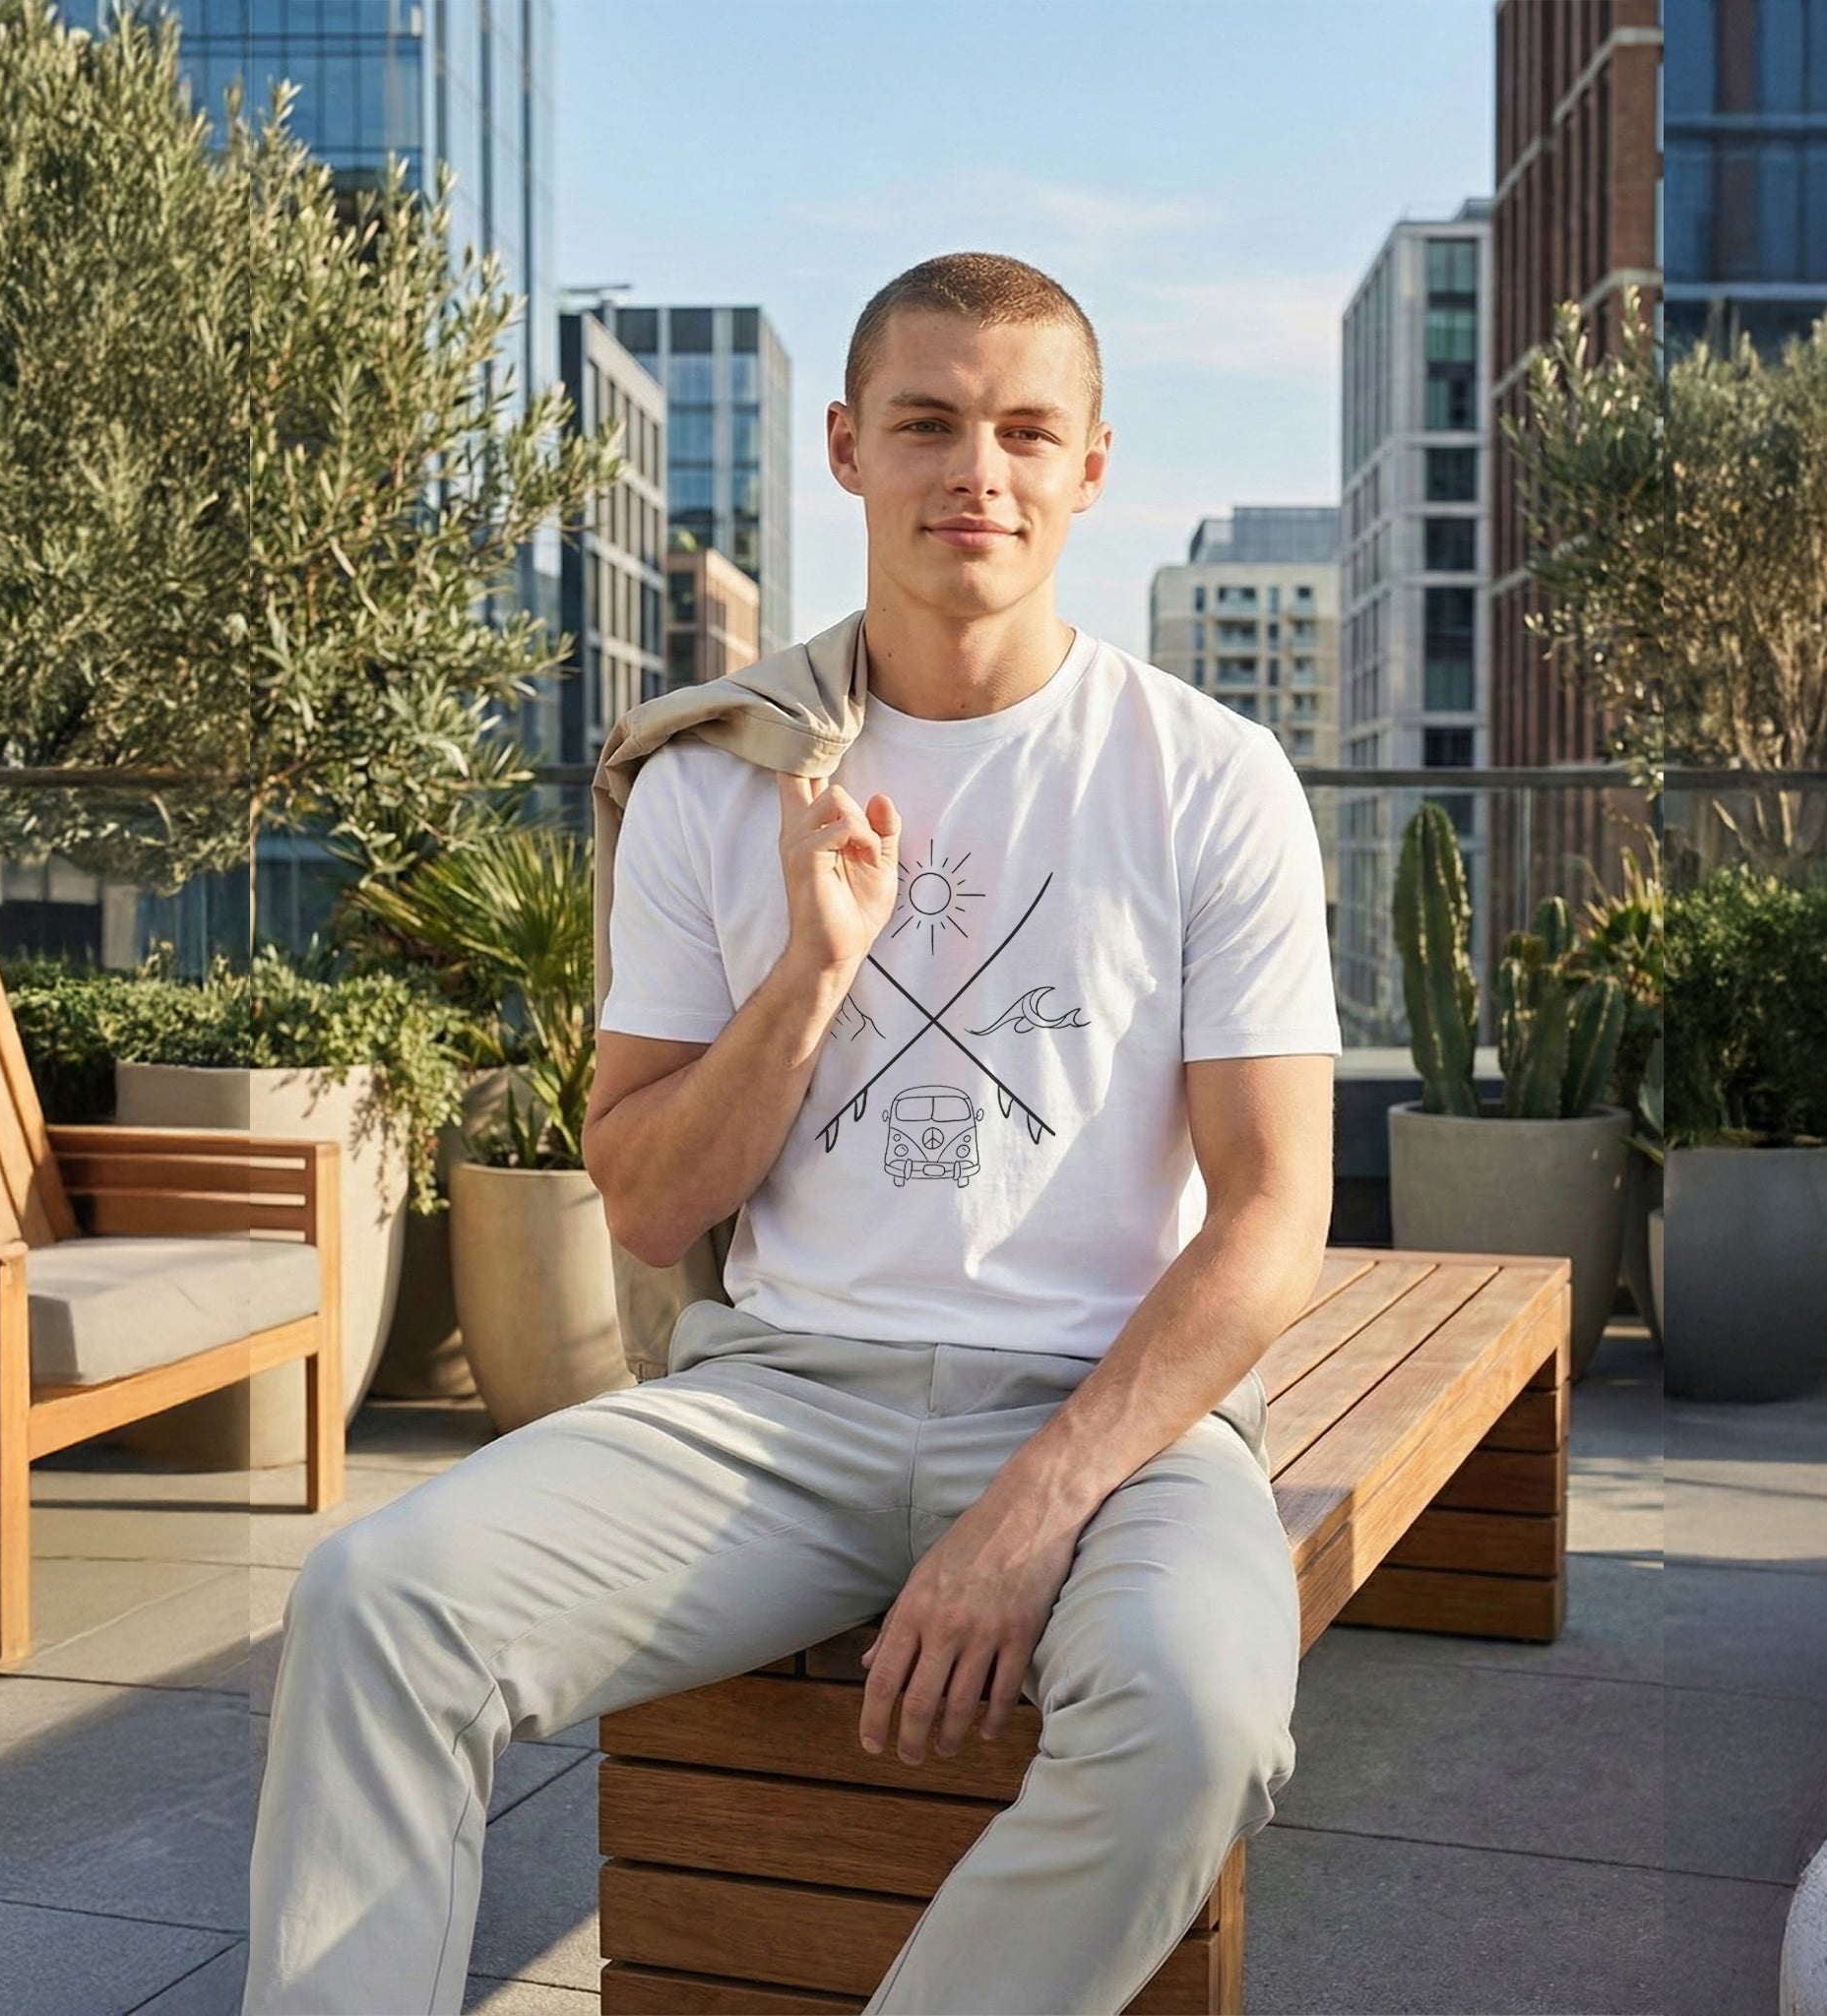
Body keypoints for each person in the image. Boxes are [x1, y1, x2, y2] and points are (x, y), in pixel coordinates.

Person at [242, 249, 1342, 2016]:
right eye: (926, 422)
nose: (974, 471)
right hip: (778, 1408)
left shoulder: (1205, 776)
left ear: (1091, 468)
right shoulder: (714, 777)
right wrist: (811, 982)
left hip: (1110, 1421)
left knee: (1198, 1713)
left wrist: (1031, 1511)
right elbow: (652, 1198)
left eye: (1023, 431)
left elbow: (1277, 1218)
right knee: (378, 1602)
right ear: (846, 446)